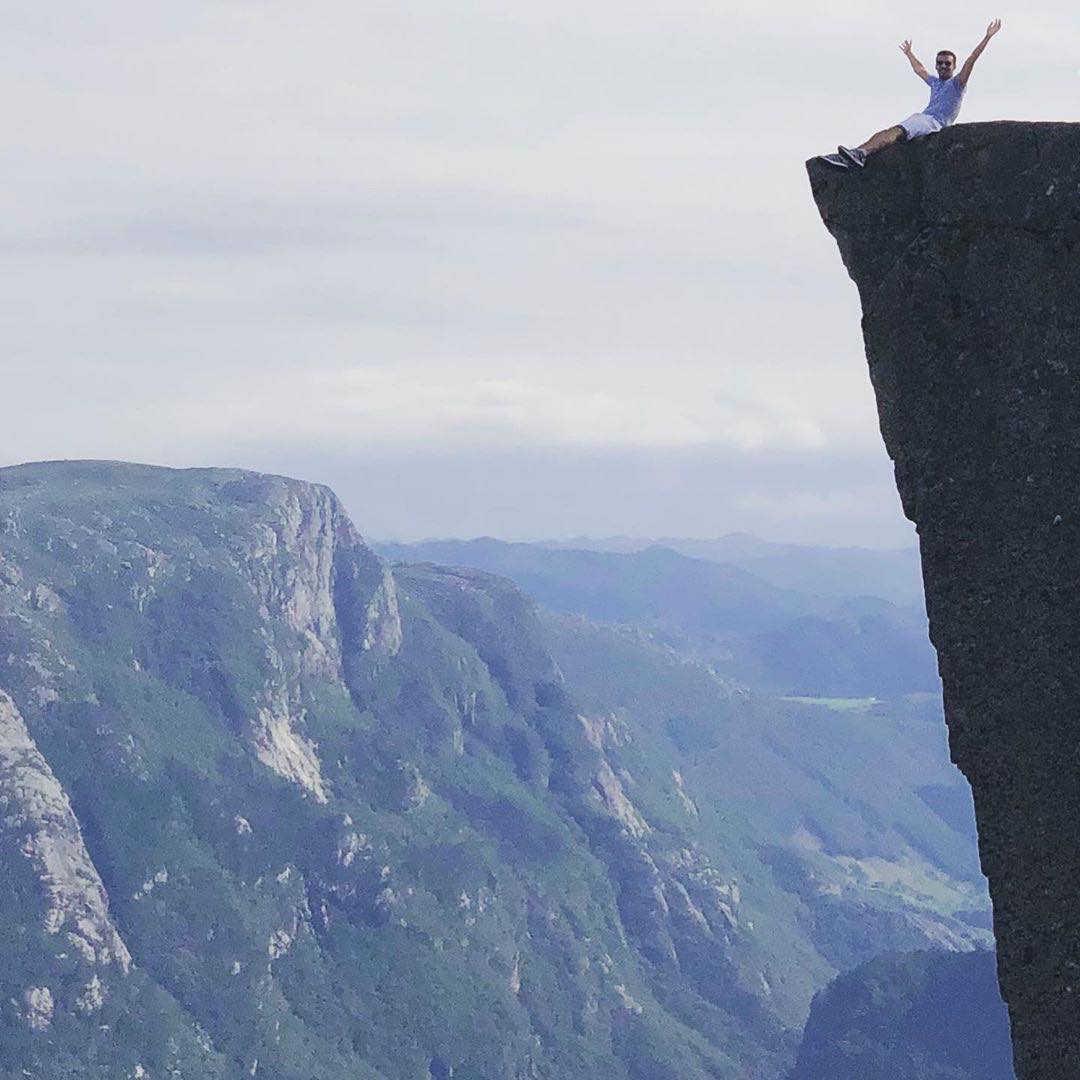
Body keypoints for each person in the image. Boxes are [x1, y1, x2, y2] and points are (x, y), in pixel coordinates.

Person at [822, 19, 1002, 168]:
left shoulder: (957, 84)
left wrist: (987, 37)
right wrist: (909, 53)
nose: (943, 66)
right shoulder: (935, 83)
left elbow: (972, 59)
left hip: (934, 122)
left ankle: (860, 154)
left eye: (948, 63)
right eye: (940, 63)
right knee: (893, 133)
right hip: (924, 119)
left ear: (954, 66)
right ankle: (854, 155)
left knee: (896, 131)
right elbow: (920, 69)